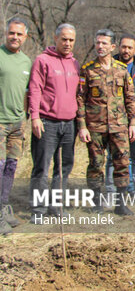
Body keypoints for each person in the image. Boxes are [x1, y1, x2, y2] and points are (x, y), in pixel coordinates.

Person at [77, 29, 135, 216]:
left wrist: (133, 122)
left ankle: (121, 204)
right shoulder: (87, 70)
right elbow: (80, 99)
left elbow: (130, 97)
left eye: (104, 43)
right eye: (97, 43)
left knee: (122, 163)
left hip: (119, 125)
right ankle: (97, 203)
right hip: (95, 126)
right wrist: (82, 126)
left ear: (112, 47)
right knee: (96, 164)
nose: (100, 46)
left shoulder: (121, 69)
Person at [28, 23, 79, 223]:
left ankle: (55, 206)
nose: (67, 43)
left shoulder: (75, 64)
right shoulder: (42, 60)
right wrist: (35, 117)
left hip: (69, 124)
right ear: (55, 38)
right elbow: (35, 89)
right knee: (42, 166)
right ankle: (38, 210)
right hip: (47, 122)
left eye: (71, 40)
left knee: (64, 167)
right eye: (64, 39)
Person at [105, 33, 135, 204]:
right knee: (113, 158)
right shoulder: (109, 65)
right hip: (114, 122)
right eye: (123, 47)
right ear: (118, 47)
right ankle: (112, 195)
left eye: (130, 48)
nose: (126, 50)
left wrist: (134, 114)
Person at [0, 17, 31, 234]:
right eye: (12, 33)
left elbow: (28, 93)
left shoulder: (27, 62)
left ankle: (4, 207)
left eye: (19, 34)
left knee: (11, 167)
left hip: (17, 123)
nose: (15, 37)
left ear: (25, 37)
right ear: (6, 33)